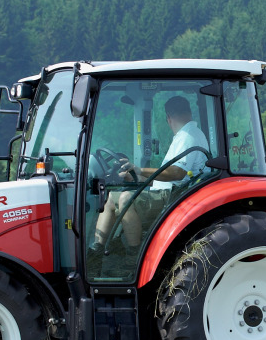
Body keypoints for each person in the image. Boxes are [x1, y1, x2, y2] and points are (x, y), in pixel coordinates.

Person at [90, 96, 210, 255]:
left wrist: (139, 170)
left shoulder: (188, 136)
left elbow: (177, 173)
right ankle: (96, 251)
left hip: (175, 197)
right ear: (188, 112)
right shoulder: (186, 135)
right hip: (169, 192)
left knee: (126, 199)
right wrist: (136, 177)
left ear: (168, 117)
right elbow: (166, 176)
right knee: (112, 198)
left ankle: (134, 256)